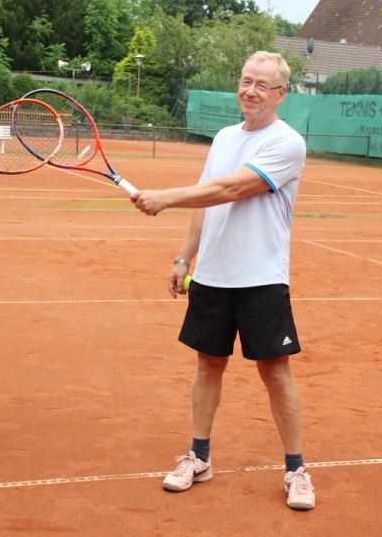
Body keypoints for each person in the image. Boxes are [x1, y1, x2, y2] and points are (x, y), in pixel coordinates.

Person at [130, 51, 314, 510]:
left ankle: (296, 470)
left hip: (261, 278)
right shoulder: (225, 138)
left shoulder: (288, 143)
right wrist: (184, 258)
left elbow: (231, 189)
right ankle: (199, 457)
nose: (250, 91)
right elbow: (207, 202)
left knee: (275, 371)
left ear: (280, 94)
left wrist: (165, 197)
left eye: (262, 85)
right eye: (246, 81)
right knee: (208, 366)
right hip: (212, 276)